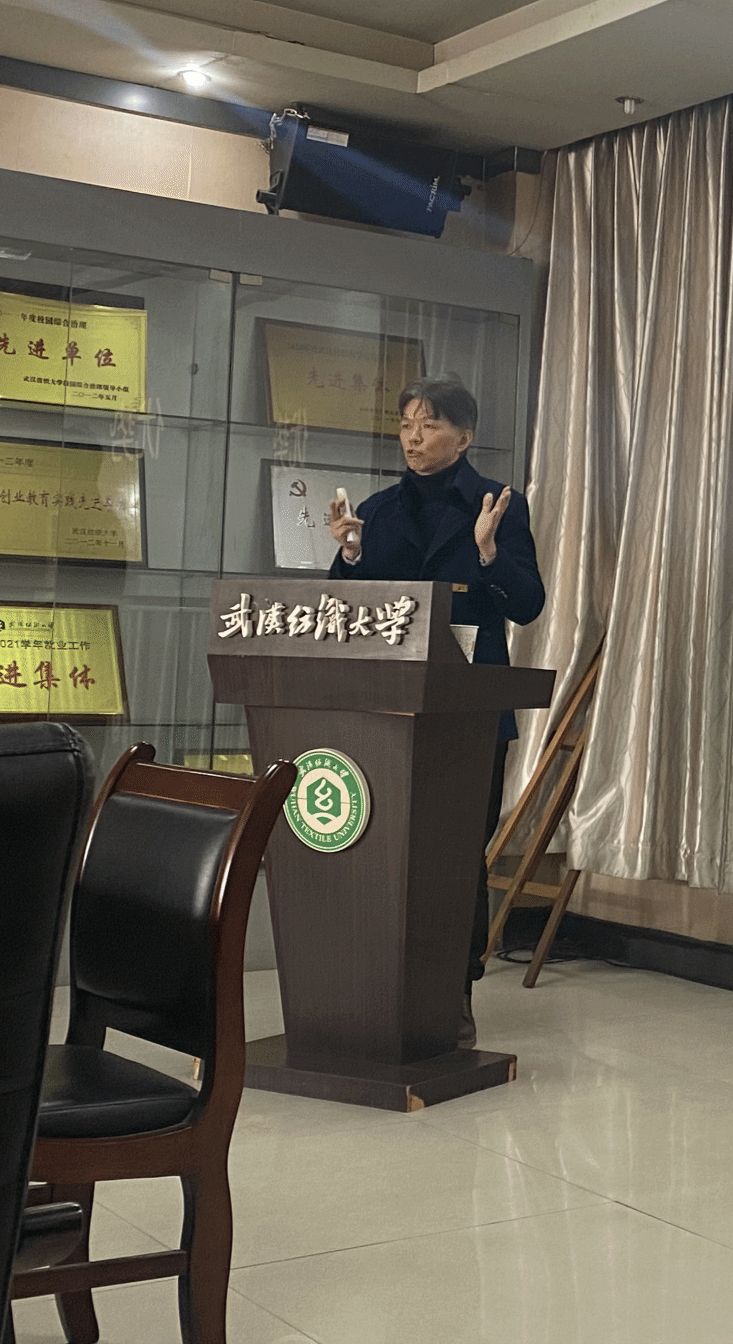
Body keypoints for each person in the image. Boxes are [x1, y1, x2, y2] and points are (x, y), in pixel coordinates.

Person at [327, 373, 543, 1048]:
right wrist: (350, 556)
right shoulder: (377, 510)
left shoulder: (498, 506)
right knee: (380, 846)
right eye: (406, 425)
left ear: (464, 435)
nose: (413, 438)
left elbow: (528, 604)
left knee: (454, 855)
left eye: (428, 425)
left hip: (467, 713)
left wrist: (488, 553)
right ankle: (371, 983)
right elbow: (346, 612)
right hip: (385, 710)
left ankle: (455, 992)